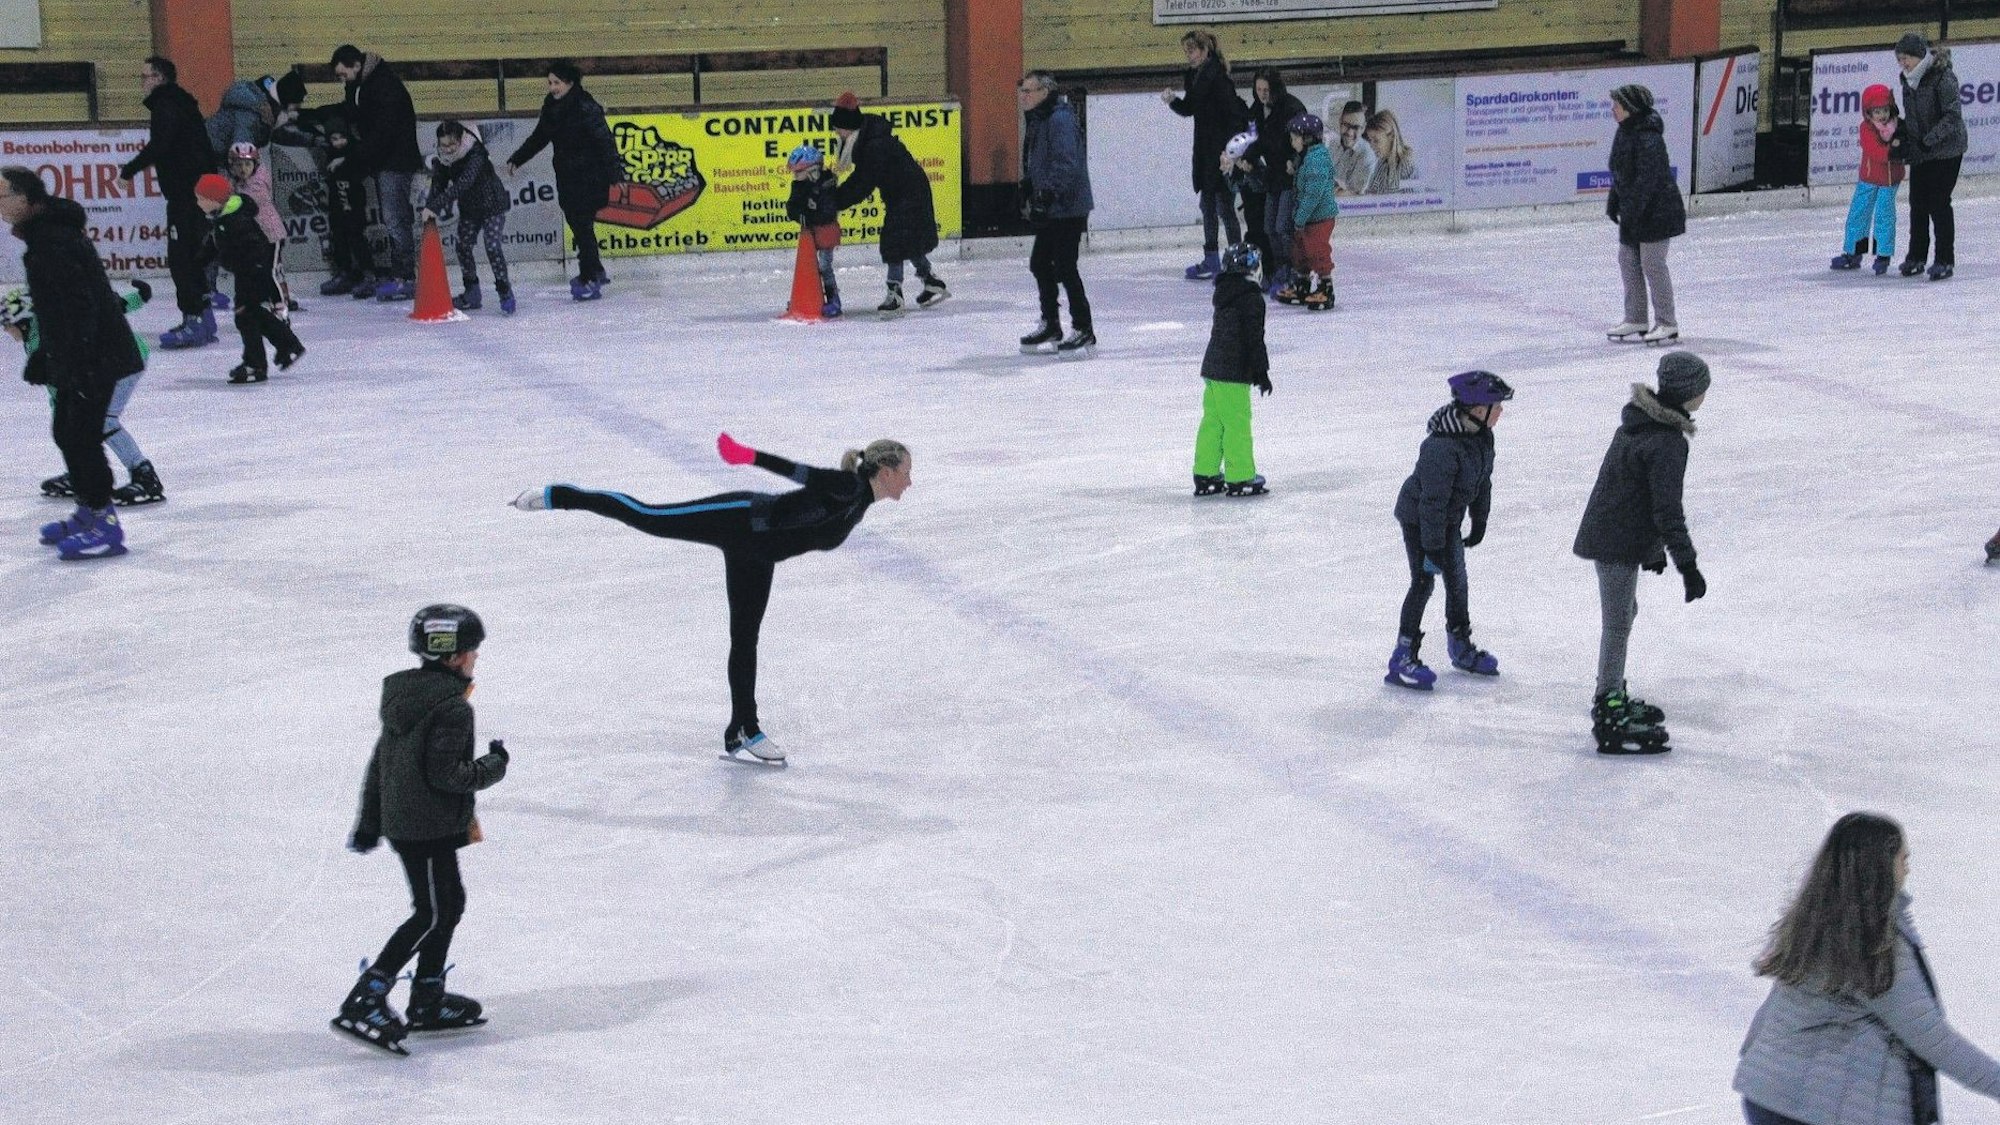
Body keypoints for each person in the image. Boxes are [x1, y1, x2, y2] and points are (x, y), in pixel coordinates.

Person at [509, 435, 914, 764]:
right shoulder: (849, 487)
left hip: (758, 554)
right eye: (906, 473)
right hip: (738, 518)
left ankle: (742, 731)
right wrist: (748, 455)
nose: (909, 482)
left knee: (745, 641)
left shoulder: (860, 504)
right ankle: (559, 495)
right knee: (649, 516)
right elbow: (800, 472)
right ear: (885, 470)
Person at [1734, 812, 2000, 1125]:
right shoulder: (1871, 944)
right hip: (1812, 1110)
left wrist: (1761, 1068)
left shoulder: (1816, 921)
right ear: (1879, 867)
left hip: (1767, 1095)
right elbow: (1935, 1042)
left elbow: (1769, 1014)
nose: (1908, 869)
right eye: (1903, 859)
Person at [336, 604, 510, 1055]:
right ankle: (367, 996)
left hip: (410, 823)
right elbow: (447, 775)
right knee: (430, 912)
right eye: (473, 650)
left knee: (448, 904)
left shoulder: (406, 697)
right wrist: (493, 766)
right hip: (428, 826)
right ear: (454, 657)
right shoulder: (451, 707)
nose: (475, 658)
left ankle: (428, 997)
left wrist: (370, 824)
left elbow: (381, 766)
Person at [2, 167, 146, 560]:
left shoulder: (52, 241)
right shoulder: (44, 235)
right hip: (79, 353)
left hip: (96, 355)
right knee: (66, 430)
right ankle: (89, 509)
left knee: (81, 435)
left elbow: (81, 305)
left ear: (26, 198)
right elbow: (57, 309)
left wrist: (79, 364)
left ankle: (105, 523)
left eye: (2, 195)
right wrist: (48, 355)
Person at [1571, 351, 1709, 754]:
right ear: (1690, 393)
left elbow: (1628, 491)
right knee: (1617, 624)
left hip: (1613, 534)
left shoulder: (1637, 424)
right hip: (1615, 541)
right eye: (1703, 388)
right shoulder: (1667, 442)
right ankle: (1608, 706)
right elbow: (1667, 510)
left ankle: (1612, 692)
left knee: (1624, 614)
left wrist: (1650, 550)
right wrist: (1688, 566)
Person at [1385, 370, 1511, 690]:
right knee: (1424, 582)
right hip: (1420, 520)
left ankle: (1459, 643)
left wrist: (1479, 519)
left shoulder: (1482, 438)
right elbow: (1431, 503)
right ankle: (1403, 654)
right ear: (1477, 410)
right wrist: (1432, 547)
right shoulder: (1441, 448)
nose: (1501, 412)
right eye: (1496, 406)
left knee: (1458, 582)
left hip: (1447, 519)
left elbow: (1482, 483)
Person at [5, 280, 165, 507]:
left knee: (104, 422)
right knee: (76, 424)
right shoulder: (37, 333)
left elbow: (105, 308)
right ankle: (81, 474)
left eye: (7, 324)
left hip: (125, 360)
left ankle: (146, 478)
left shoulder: (49, 332)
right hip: (106, 364)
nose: (5, 330)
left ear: (23, 321)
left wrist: (138, 298)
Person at [118, 57, 217, 351]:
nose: (142, 82)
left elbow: (161, 144)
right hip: (194, 192)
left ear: (159, 77)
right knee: (192, 255)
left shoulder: (166, 105)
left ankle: (195, 321)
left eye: (145, 76)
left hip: (186, 194)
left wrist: (129, 170)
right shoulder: (181, 103)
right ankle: (204, 318)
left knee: (182, 258)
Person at [505, 61, 624, 301]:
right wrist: (518, 158)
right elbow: (540, 136)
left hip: (590, 175)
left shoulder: (586, 107)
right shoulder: (552, 106)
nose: (552, 88)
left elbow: (605, 141)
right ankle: (596, 270)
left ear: (570, 83)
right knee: (580, 225)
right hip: (568, 175)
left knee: (581, 225)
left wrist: (616, 175)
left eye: (557, 83)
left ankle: (589, 276)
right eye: (550, 83)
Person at [829, 92, 947, 316]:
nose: (836, 132)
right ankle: (931, 281)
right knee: (907, 240)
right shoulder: (867, 138)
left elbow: (862, 183)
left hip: (909, 193)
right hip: (905, 191)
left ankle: (895, 295)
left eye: (838, 128)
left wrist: (834, 201)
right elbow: (862, 179)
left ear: (849, 128)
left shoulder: (875, 145)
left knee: (894, 241)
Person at [331, 45, 422, 301]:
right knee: (393, 218)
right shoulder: (361, 85)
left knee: (396, 219)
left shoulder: (384, 86)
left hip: (396, 162)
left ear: (356, 66)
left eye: (343, 75)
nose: (342, 80)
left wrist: (355, 157)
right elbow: (355, 114)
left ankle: (406, 277)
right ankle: (399, 275)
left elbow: (383, 132)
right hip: (384, 160)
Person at [193, 173, 304, 385]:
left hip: (252, 272)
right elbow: (214, 246)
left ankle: (256, 364)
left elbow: (253, 247)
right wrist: (197, 263)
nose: (198, 203)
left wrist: (250, 269)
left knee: (245, 316)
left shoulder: (234, 219)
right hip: (248, 272)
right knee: (252, 315)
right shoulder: (224, 216)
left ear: (213, 199)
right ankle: (287, 346)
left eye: (200, 198)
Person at [1017, 71, 1095, 356]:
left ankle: (1083, 327)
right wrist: (1030, 185)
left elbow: (1066, 163)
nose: (1023, 96)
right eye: (1022, 90)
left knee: (1064, 266)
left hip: (1068, 206)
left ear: (1045, 92)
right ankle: (1051, 322)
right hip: (1053, 206)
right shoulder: (1040, 118)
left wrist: (1046, 193)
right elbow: (1041, 160)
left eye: (1029, 90)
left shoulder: (1059, 119)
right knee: (1040, 263)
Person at [1605, 84, 1687, 345]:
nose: (1613, 110)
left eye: (1617, 105)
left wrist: (1633, 209)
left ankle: (1667, 323)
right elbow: (1620, 172)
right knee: (1627, 260)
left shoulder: (1648, 137)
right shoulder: (1625, 132)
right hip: (1634, 210)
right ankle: (1636, 318)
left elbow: (1648, 179)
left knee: (1652, 264)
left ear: (1630, 108)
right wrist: (1614, 199)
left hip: (1657, 211)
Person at [1162, 30, 1247, 280]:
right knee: (1207, 205)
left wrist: (1229, 152)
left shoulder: (1219, 79)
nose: (1188, 55)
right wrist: (1173, 101)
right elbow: (1190, 108)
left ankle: (1236, 259)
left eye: (1192, 50)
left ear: (1205, 50)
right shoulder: (1196, 77)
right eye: (1186, 51)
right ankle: (1212, 258)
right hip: (1204, 152)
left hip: (1220, 152)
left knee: (1224, 206)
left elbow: (1234, 117)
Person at [1191, 243, 1270, 498]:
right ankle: (1241, 476)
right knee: (1237, 423)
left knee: (1213, 422)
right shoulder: (1251, 298)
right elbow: (1253, 339)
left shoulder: (1225, 293)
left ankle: (1205, 472)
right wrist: (1261, 373)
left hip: (1212, 369)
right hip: (1233, 373)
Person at [272, 104, 373, 295]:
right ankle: (345, 273)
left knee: (356, 237)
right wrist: (296, 116)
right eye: (334, 139)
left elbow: (363, 159)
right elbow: (309, 129)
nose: (338, 142)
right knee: (339, 236)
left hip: (353, 202)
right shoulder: (328, 149)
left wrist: (344, 160)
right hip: (337, 202)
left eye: (341, 138)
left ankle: (367, 274)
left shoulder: (354, 150)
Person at [421, 121, 514, 315]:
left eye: (451, 145)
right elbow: (438, 184)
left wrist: (436, 205)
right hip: (470, 209)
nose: (447, 149)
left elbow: (464, 183)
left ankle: (504, 291)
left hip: (492, 205)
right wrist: (430, 206)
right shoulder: (443, 159)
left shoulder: (475, 153)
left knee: (492, 246)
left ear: (461, 139)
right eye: (443, 145)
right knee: (463, 246)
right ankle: (472, 292)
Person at [1894, 32, 1966, 281]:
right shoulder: (1907, 80)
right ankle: (1916, 256)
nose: (1903, 63)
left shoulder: (1942, 77)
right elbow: (1913, 118)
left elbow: (1952, 116)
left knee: (1938, 201)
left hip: (1947, 150)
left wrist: (1929, 140)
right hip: (1922, 151)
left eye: (1907, 58)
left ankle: (1945, 259)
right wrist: (1904, 137)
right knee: (1917, 202)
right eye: (1900, 59)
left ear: (1919, 55)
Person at [1830, 85, 1904, 274]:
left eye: (1885, 110)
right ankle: (1853, 252)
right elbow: (1876, 152)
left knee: (1884, 215)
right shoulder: (1866, 129)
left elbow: (1906, 145)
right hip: (1869, 178)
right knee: (1859, 213)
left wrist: (1902, 147)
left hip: (1890, 180)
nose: (1882, 115)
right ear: (1868, 112)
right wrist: (1895, 150)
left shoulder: (1899, 126)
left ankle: (1883, 254)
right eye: (1877, 111)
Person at [1248, 68, 1306, 297]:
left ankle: (1292, 270)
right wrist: (1247, 159)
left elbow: (1306, 140)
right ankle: (1279, 268)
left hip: (1289, 177)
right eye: (1259, 89)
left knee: (1283, 226)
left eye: (1266, 90)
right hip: (1272, 177)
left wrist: (1295, 161)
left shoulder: (1292, 108)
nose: (1262, 94)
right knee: (1269, 227)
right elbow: (1254, 140)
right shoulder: (1256, 111)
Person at [1277, 114, 1337, 312]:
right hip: (1307, 218)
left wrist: (1300, 217)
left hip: (1318, 218)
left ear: (1308, 139)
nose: (1292, 142)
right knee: (1300, 252)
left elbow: (1314, 194)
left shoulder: (1316, 160)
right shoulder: (1308, 158)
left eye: (1295, 138)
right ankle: (1302, 285)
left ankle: (1325, 288)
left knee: (1317, 251)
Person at [1364, 110, 1418, 195]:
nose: (1371, 145)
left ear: (1391, 136)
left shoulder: (1406, 165)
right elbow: (1371, 193)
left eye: (1376, 140)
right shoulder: (1381, 164)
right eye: (1370, 140)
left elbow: (1413, 203)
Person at [1331, 101, 1378, 197]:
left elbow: (1357, 197)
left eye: (1356, 127)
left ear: (1363, 128)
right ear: (1340, 122)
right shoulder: (1332, 145)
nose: (1350, 132)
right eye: (1346, 125)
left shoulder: (1368, 157)